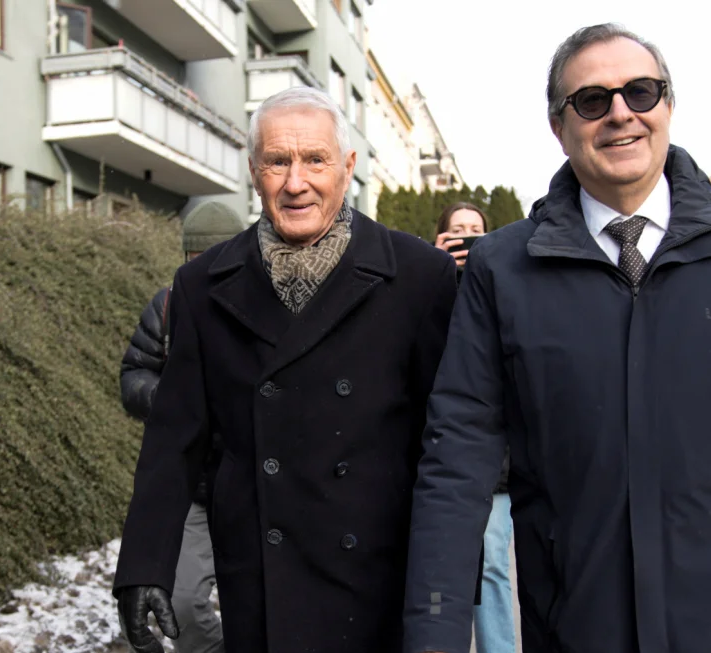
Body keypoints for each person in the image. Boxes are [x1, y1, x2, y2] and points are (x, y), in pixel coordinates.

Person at [402, 23, 711, 653]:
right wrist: (434, 636)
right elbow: (457, 462)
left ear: (668, 106)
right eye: (591, 100)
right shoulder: (502, 268)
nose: (620, 114)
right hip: (577, 632)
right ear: (558, 127)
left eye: (640, 91)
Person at [112, 86, 458, 653]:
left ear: (347, 167)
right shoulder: (202, 286)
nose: (296, 182)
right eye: (277, 161)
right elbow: (175, 437)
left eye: (315, 160)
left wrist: (445, 586)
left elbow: (445, 445)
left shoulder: (420, 277)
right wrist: (145, 563)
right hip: (262, 577)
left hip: (378, 577)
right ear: (254, 172)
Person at [118, 200, 246, 653]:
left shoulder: (265, 309)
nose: (209, 267)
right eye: (198, 257)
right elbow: (134, 374)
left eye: (220, 255)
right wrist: (173, 401)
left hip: (253, 491)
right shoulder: (168, 306)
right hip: (192, 489)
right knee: (184, 604)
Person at [433, 203, 516, 653]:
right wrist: (436, 272)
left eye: (476, 230)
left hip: (495, 462)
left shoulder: (505, 284)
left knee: (492, 567)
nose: (468, 237)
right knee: (438, 569)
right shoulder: (427, 287)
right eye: (458, 230)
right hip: (438, 456)